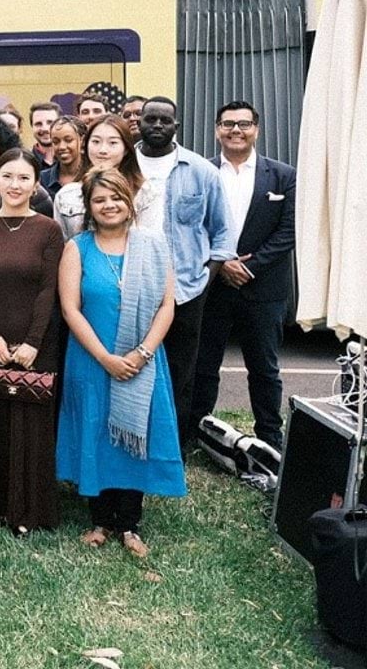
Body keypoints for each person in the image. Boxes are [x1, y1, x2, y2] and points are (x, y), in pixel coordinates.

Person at [57, 169, 183, 558]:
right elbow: (70, 309)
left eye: (116, 198)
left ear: (129, 202)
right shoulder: (78, 247)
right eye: (100, 200)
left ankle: (129, 523)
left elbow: (167, 304)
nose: (109, 205)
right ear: (89, 209)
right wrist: (105, 358)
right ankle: (100, 521)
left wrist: (142, 353)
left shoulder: (153, 246)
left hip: (142, 360)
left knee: (134, 437)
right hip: (92, 358)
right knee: (96, 432)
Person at [192, 102, 295, 449]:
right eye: (228, 124)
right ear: (217, 129)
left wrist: (249, 266)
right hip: (213, 286)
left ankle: (270, 437)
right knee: (204, 365)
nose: (236, 130)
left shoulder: (283, 175)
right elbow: (190, 227)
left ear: (257, 129)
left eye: (244, 124)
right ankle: (196, 431)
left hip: (263, 288)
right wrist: (220, 264)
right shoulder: (201, 172)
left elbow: (288, 231)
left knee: (264, 367)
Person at [134, 97, 234, 447]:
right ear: (139, 123)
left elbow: (222, 232)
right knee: (133, 367)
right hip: (130, 287)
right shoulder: (123, 166)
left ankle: (174, 445)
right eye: (151, 119)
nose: (157, 125)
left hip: (187, 291)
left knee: (180, 372)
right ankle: (135, 439)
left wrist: (206, 278)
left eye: (165, 120)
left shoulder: (200, 170)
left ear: (176, 126)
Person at [0, 149, 64, 534]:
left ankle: (31, 511)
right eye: (7, 176)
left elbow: (50, 290)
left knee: (33, 425)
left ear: (35, 183)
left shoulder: (48, 229)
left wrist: (31, 342)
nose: (15, 185)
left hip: (37, 342)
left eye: (24, 178)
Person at [28, 102, 60, 169]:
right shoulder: (26, 162)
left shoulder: (72, 160)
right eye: (38, 124)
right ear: (32, 127)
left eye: (50, 122)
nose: (45, 128)